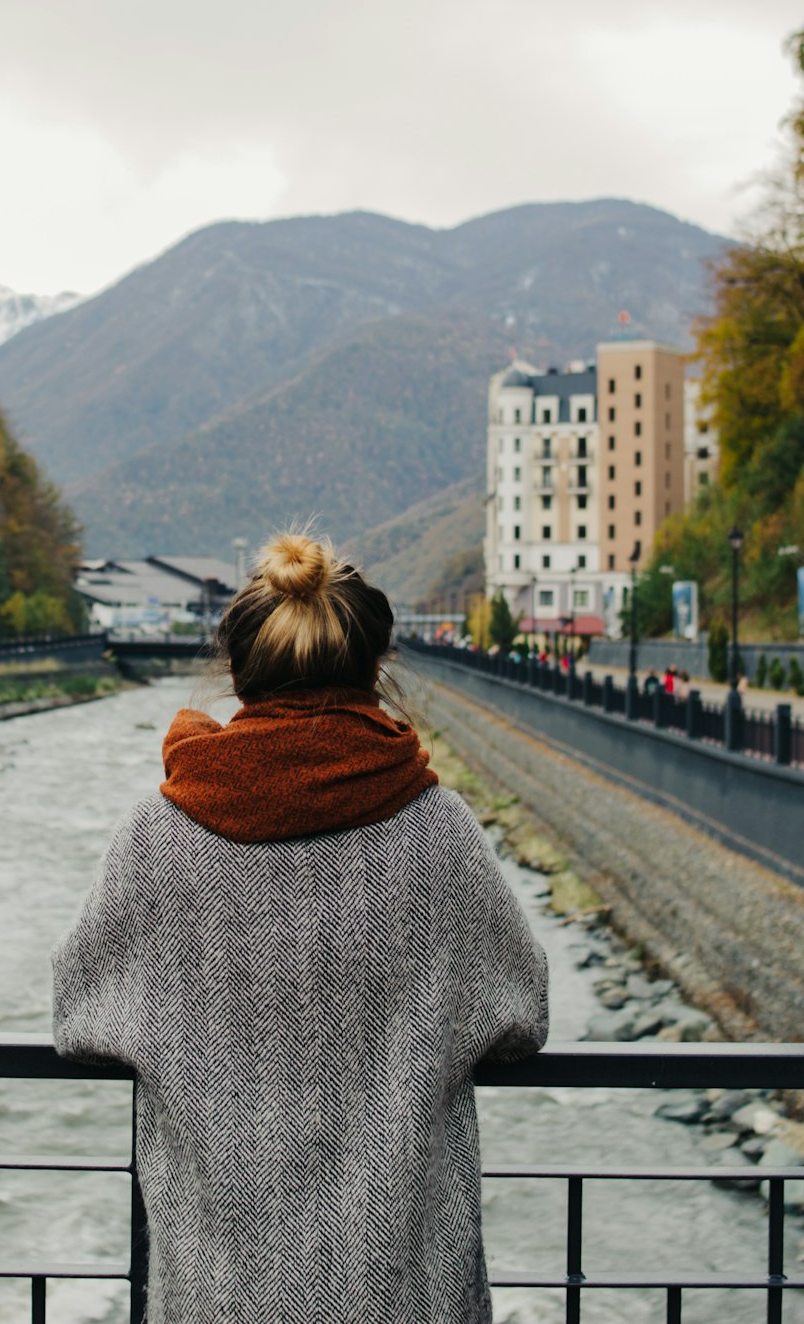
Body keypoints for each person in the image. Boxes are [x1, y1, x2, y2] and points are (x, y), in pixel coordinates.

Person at [52, 531, 549, 1324]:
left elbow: (79, 1014)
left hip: (221, 1290)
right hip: (401, 1290)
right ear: (374, 671)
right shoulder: (439, 831)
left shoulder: (157, 837)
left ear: (239, 677)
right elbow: (521, 1011)